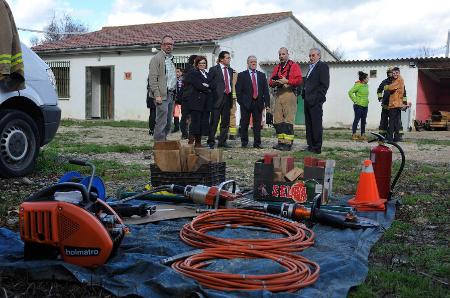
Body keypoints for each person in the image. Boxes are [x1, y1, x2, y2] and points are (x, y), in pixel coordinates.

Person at [269, 47, 302, 151]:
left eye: (283, 54)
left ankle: (288, 143)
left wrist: (287, 81)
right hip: (278, 93)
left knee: (288, 119)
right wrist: (275, 82)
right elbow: (270, 82)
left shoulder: (294, 65)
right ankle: (281, 142)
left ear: (288, 54)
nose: (281, 56)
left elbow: (299, 80)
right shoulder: (277, 67)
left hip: (289, 92)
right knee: (278, 119)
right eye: (280, 54)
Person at [235, 55, 270, 148]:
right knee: (244, 123)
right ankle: (244, 142)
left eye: (255, 61)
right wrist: (241, 102)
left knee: (257, 125)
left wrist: (267, 103)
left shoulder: (262, 75)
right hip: (246, 103)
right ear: (248, 63)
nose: (253, 63)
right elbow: (238, 90)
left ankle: (257, 143)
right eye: (251, 62)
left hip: (258, 102)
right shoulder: (242, 75)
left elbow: (266, 90)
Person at [148, 35, 177, 142]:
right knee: (161, 121)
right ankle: (159, 144)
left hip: (171, 94)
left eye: (171, 44)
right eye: (166, 44)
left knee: (169, 121)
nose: (169, 46)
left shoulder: (170, 59)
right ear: (162, 45)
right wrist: (157, 95)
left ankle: (164, 142)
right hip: (161, 95)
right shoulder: (156, 59)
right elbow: (152, 79)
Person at [301, 48, 330, 154]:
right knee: (309, 124)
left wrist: (319, 99)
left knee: (316, 124)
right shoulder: (311, 68)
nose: (311, 57)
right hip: (307, 100)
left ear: (319, 56)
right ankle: (310, 145)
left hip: (315, 101)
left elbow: (324, 85)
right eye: (310, 56)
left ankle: (317, 147)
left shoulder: (322, 66)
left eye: (313, 55)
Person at [207, 51, 234, 148]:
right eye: (227, 58)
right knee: (214, 121)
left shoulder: (230, 70)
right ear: (221, 59)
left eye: (229, 58)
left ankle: (222, 141)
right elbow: (209, 84)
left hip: (227, 98)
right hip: (217, 99)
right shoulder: (214, 69)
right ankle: (211, 141)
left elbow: (230, 83)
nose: (229, 59)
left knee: (225, 122)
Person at [184, 56, 212, 147]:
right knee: (196, 122)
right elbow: (198, 85)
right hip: (196, 102)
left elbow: (212, 85)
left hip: (205, 102)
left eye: (204, 63)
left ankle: (197, 140)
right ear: (197, 64)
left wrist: (207, 86)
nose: (202, 65)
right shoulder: (194, 73)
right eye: (200, 63)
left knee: (203, 122)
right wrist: (207, 87)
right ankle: (195, 141)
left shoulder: (207, 74)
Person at [377, 67, 408, 139]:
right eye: (390, 73)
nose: (391, 74)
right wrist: (380, 98)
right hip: (386, 105)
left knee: (396, 121)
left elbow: (403, 94)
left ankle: (396, 136)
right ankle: (382, 135)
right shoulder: (384, 81)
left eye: (393, 73)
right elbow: (379, 90)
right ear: (387, 74)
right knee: (384, 121)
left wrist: (404, 103)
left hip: (394, 105)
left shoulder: (397, 81)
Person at [384, 67, 404, 142]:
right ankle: (396, 138)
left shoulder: (398, 80)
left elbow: (391, 87)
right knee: (396, 122)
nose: (395, 74)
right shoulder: (397, 80)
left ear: (399, 73)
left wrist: (386, 87)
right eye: (393, 73)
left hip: (394, 104)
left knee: (391, 122)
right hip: (397, 104)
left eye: (396, 73)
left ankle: (389, 138)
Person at [348, 71, 369, 141]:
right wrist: (355, 100)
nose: (368, 79)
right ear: (363, 79)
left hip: (365, 106)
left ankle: (362, 134)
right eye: (367, 78)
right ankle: (354, 134)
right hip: (358, 106)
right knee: (357, 120)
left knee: (364, 120)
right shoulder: (358, 85)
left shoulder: (366, 85)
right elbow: (350, 92)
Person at [180, 55, 197, 139]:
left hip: (186, 96)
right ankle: (187, 133)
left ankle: (185, 133)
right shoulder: (192, 71)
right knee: (188, 116)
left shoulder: (187, 70)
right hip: (189, 96)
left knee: (185, 116)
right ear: (194, 61)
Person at [172, 68, 183, 133]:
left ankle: (184, 128)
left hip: (183, 99)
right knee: (176, 114)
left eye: (178, 72)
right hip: (176, 99)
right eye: (175, 72)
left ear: (181, 72)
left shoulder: (184, 80)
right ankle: (176, 127)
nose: (177, 73)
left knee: (184, 114)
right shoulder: (173, 80)